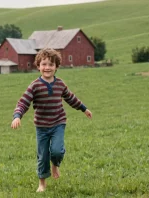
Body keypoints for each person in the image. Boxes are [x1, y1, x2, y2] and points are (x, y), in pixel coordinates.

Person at [11, 48, 92, 192]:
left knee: (57, 151)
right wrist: (17, 116)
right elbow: (23, 102)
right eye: (44, 64)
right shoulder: (35, 86)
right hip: (41, 127)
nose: (47, 67)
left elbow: (71, 98)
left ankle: (55, 164)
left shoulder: (60, 84)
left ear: (56, 67)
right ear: (38, 66)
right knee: (42, 156)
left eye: (51, 64)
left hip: (58, 123)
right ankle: (42, 183)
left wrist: (84, 109)